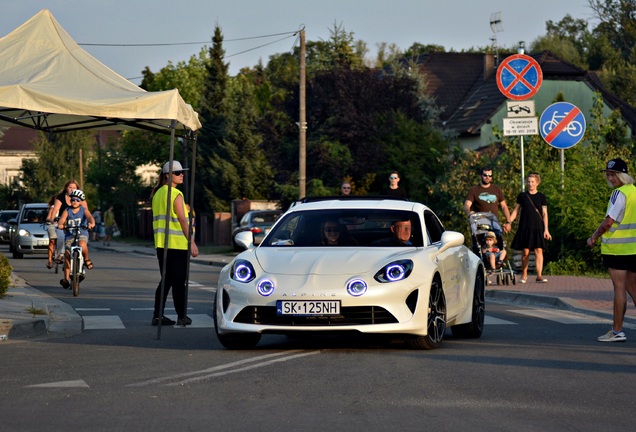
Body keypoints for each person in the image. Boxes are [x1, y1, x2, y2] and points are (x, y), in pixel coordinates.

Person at [587, 158, 636, 343]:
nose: (610, 178)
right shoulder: (635, 192)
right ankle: (617, 330)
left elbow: (609, 221)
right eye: (608, 175)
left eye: (613, 175)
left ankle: (617, 331)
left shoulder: (619, 194)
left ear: (623, 175)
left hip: (617, 249)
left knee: (620, 288)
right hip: (634, 248)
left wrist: (593, 237)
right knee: (633, 287)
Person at [151, 160, 199, 326]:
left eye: (182, 172)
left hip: (161, 245)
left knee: (166, 281)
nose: (182, 175)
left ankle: (157, 315)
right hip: (177, 245)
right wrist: (191, 242)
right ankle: (182, 316)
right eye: (178, 173)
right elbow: (183, 221)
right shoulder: (175, 194)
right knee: (179, 282)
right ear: (167, 176)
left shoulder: (157, 194)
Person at [509, 172, 552, 283]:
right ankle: (524, 274)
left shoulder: (541, 196)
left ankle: (539, 275)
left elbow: (544, 213)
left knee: (539, 250)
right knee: (525, 251)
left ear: (537, 183)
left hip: (538, 227)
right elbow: (516, 211)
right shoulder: (522, 196)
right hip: (525, 226)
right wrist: (509, 221)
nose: (530, 184)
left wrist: (546, 229)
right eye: (528, 181)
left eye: (532, 182)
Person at [57, 189, 95, 289]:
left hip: (82, 233)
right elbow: (62, 219)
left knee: (82, 245)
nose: (75, 202)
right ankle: (66, 279)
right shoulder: (67, 210)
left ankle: (86, 259)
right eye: (73, 199)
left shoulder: (83, 210)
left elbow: (90, 217)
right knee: (67, 255)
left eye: (77, 200)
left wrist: (91, 223)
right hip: (70, 235)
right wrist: (60, 224)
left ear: (81, 201)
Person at [47, 180, 90, 268]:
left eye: (74, 187)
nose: (71, 189)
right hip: (65, 221)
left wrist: (88, 221)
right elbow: (55, 209)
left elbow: (86, 210)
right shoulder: (61, 197)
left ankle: (83, 259)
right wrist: (52, 218)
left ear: (77, 189)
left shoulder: (80, 197)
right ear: (66, 188)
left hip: (78, 222)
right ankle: (61, 254)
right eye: (70, 187)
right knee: (61, 236)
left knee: (81, 239)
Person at [465, 167, 512, 233]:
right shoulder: (474, 190)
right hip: (479, 224)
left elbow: (504, 206)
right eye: (485, 175)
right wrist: (469, 212)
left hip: (494, 223)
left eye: (490, 175)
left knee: (499, 240)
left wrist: (508, 222)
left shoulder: (496, 189)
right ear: (481, 175)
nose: (487, 177)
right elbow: (467, 204)